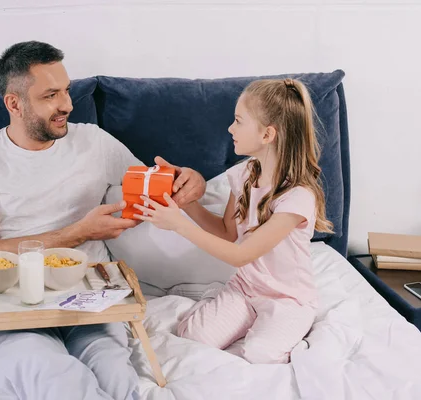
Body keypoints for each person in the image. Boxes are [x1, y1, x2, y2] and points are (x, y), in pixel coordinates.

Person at [0, 41, 206, 399]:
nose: (67, 105)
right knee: (58, 379)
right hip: (7, 303)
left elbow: (153, 187)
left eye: (67, 90)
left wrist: (190, 181)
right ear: (14, 103)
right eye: (50, 95)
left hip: (87, 296)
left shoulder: (94, 142)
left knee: (116, 378)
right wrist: (79, 233)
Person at [132, 78, 333, 364]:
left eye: (238, 121)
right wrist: (186, 202)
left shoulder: (297, 197)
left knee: (259, 354)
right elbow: (227, 233)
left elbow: (241, 254)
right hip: (245, 289)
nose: (230, 128)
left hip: (287, 299)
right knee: (194, 337)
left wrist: (179, 225)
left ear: (267, 134)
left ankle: (275, 334)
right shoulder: (245, 174)